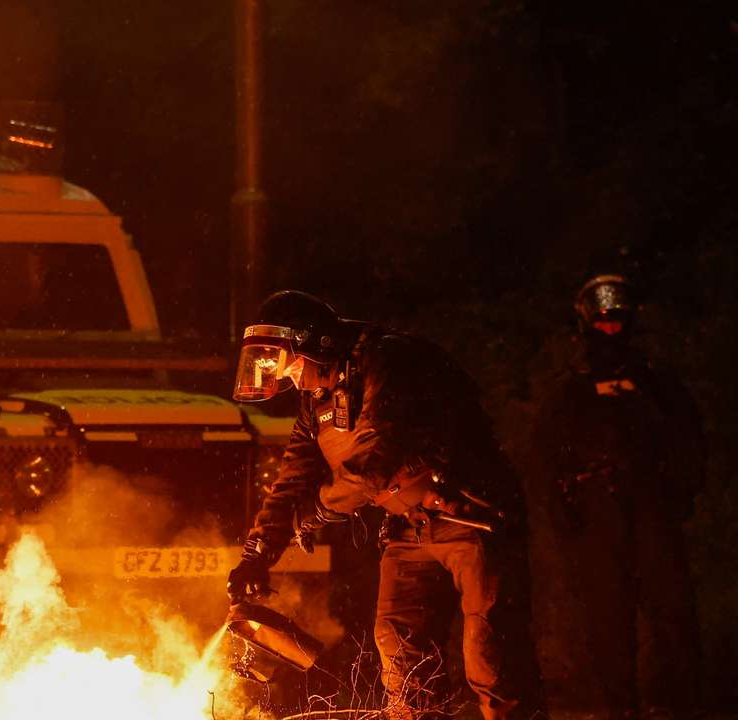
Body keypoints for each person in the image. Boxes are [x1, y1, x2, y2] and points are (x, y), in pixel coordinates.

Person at [226, 290, 543, 720]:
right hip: (408, 528)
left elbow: (372, 466)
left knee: (491, 657)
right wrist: (257, 554)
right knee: (400, 651)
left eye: (292, 366)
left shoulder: (388, 364)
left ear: (317, 344)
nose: (292, 380)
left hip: (471, 517)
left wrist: (316, 512)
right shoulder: (316, 401)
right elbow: (292, 479)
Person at [529, 274, 703, 719]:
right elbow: (546, 457)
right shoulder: (570, 388)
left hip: (650, 506)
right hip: (596, 512)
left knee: (671, 609)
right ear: (587, 323)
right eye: (602, 322)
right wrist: (563, 513)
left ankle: (675, 704)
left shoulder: (654, 381)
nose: (610, 329)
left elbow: (688, 438)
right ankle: (619, 709)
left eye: (617, 321)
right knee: (607, 617)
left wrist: (682, 491)